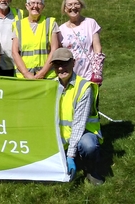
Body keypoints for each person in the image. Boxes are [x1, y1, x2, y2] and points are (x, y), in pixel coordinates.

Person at [51, 48, 104, 185]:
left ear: (73, 63)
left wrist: (70, 156)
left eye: (65, 63)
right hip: (60, 135)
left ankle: (91, 169)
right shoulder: (49, 85)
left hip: (83, 133)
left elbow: (79, 124)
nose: (61, 68)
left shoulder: (84, 87)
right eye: (57, 65)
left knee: (89, 146)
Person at [11, 0, 60, 79]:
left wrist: (42, 73)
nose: (35, 6)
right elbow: (14, 52)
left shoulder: (50, 23)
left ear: (43, 6)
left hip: (47, 77)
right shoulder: (18, 25)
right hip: (24, 77)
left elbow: (54, 50)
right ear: (27, 6)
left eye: (39, 3)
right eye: (32, 3)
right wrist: (26, 73)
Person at [59, 0, 105, 84]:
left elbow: (97, 48)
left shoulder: (91, 23)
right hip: (69, 77)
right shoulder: (61, 30)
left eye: (77, 4)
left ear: (81, 6)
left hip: (88, 76)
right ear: (65, 8)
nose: (73, 7)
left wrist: (97, 74)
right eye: (70, 4)